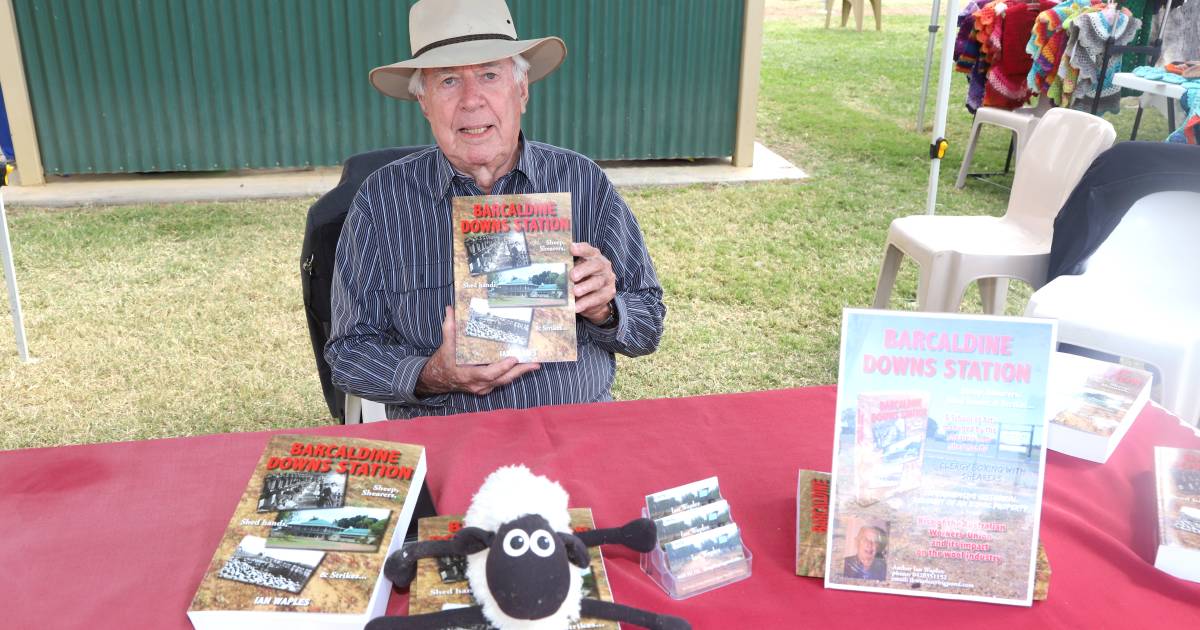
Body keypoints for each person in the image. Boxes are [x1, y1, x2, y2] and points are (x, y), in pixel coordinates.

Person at [326, 0, 665, 419]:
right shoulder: (383, 201)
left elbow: (649, 327)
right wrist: (431, 374)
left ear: (521, 90)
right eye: (448, 81)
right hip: (447, 440)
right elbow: (347, 355)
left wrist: (605, 309)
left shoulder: (583, 181)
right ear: (424, 103)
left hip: (574, 429)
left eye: (489, 75)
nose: (472, 100)